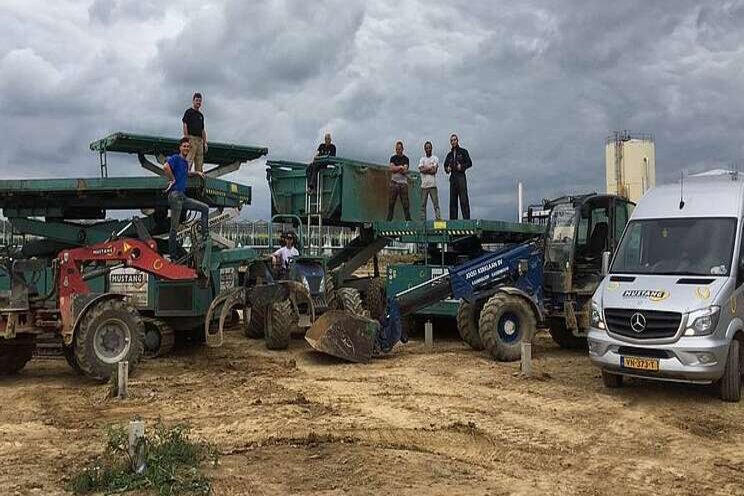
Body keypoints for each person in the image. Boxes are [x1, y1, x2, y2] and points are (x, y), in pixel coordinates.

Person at [164, 137, 209, 260]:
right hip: (175, 196)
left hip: (182, 197)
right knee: (174, 227)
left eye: (188, 147)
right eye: (184, 146)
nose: (186, 148)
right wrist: (172, 179)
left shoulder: (184, 163)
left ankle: (205, 239)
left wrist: (197, 173)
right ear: (180, 147)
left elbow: (186, 173)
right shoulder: (176, 158)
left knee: (205, 208)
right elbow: (166, 167)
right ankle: (173, 256)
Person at [443, 134, 472, 219]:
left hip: (461, 177)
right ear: (450, 142)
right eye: (452, 140)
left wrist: (462, 167)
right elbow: (445, 165)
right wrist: (447, 169)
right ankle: (453, 222)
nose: (453, 142)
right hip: (453, 178)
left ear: (457, 140)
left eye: (454, 140)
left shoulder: (463, 151)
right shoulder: (449, 154)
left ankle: (467, 220)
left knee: (464, 200)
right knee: (453, 201)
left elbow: (469, 163)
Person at [182, 92, 207, 173]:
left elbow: (202, 130)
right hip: (191, 138)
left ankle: (199, 179)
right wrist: (186, 138)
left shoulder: (201, 115)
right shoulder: (189, 112)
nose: (198, 102)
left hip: (199, 140)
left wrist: (205, 142)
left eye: (200, 101)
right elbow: (185, 124)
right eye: (197, 100)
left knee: (199, 161)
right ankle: (186, 175)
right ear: (193, 101)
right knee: (189, 159)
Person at [387, 141, 412, 221]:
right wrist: (400, 167)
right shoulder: (393, 158)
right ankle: (388, 222)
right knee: (391, 204)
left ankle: (408, 221)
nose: (398, 150)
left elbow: (404, 170)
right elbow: (391, 169)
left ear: (402, 149)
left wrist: (396, 168)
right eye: (397, 149)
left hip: (403, 184)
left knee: (405, 204)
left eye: (399, 149)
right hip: (394, 183)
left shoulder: (406, 159)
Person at [418, 141, 441, 220]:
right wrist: (429, 168)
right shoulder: (422, 159)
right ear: (424, 149)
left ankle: (438, 221)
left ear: (431, 148)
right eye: (426, 148)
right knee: (422, 206)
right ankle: (423, 223)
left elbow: (434, 171)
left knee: (436, 205)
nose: (428, 149)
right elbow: (421, 170)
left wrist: (425, 168)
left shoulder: (435, 158)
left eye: (429, 147)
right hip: (424, 186)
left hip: (432, 186)